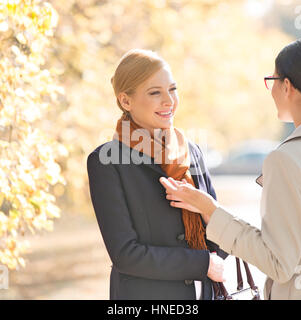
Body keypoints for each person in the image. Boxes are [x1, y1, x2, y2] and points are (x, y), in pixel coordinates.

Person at [160, 38, 301, 300]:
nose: (270, 90)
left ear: (287, 86)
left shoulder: (286, 159)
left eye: (271, 80)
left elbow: (278, 263)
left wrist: (210, 210)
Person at [87, 49, 228, 300]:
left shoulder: (191, 152)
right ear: (126, 101)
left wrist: (207, 211)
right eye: (155, 93)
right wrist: (201, 263)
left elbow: (222, 244)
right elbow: (126, 255)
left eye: (172, 89)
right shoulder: (106, 162)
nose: (169, 101)